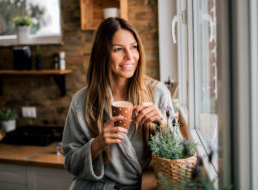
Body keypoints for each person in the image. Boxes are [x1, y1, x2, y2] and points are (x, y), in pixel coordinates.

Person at [62, 17, 175, 190]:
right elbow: (70, 162)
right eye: (118, 49)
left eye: (133, 47)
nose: (130, 57)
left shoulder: (158, 94)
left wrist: (163, 126)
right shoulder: (81, 101)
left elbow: (180, 156)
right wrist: (97, 144)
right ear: (103, 54)